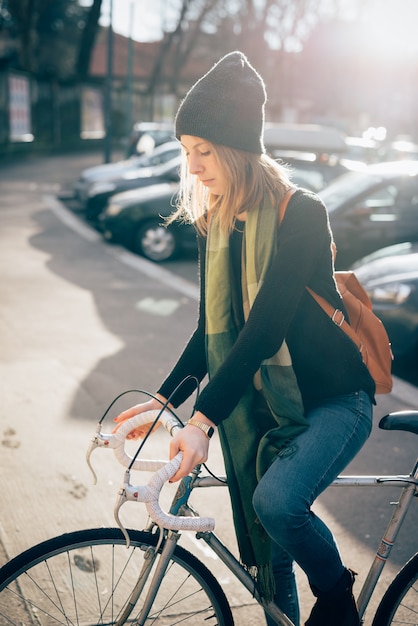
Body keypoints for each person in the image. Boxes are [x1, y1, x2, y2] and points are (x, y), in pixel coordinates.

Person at [113, 51, 375, 626]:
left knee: (276, 504)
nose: (194, 166)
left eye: (204, 150)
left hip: (336, 399)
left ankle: (336, 601)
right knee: (266, 551)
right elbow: (211, 332)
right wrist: (162, 403)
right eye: (187, 152)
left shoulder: (301, 213)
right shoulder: (219, 221)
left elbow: (264, 327)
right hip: (269, 406)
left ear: (237, 146)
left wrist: (203, 419)